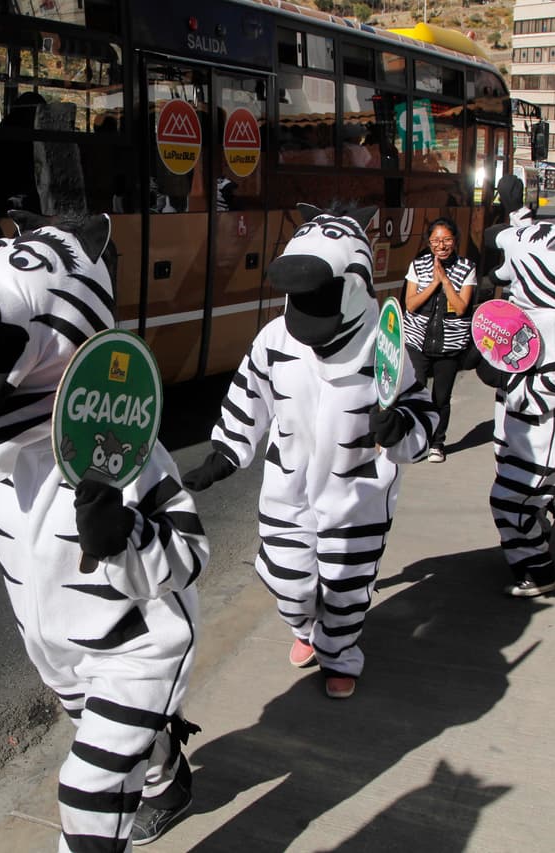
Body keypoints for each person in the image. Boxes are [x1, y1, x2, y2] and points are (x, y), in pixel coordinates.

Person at [0, 213, 207, 849]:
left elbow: (188, 554)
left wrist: (125, 533)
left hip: (139, 644)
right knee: (126, 745)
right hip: (55, 649)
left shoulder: (121, 447)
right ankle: (169, 779)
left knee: (89, 791)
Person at [182, 204, 438, 700]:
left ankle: (340, 653)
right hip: (288, 484)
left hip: (358, 491)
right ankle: (304, 627)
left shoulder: (383, 342)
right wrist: (225, 452)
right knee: (287, 579)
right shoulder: (274, 337)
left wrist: (398, 425)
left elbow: (422, 414)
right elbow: (248, 396)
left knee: (345, 589)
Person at [474, 198, 555, 598]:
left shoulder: (552, 324)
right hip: (527, 437)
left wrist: (512, 390)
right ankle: (530, 553)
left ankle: (538, 572)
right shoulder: (541, 316)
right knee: (523, 502)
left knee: (511, 502)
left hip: (541, 440)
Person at [401, 217, 476, 463]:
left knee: (441, 398)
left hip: (450, 345)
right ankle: (416, 440)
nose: (441, 245)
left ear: (455, 241)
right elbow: (410, 304)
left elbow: (462, 306)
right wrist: (433, 283)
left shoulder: (467, 267)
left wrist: (445, 281)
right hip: (417, 340)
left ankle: (437, 443)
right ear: (429, 242)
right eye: (435, 241)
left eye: (446, 240)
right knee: (416, 392)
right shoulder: (418, 265)